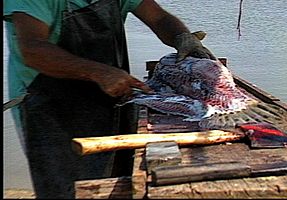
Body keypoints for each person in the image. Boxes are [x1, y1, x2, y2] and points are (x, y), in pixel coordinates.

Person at [3, 0, 216, 198]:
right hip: (49, 107)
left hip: (108, 97)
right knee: (64, 186)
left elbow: (158, 17)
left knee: (115, 178)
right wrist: (98, 73)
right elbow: (32, 49)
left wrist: (182, 38)